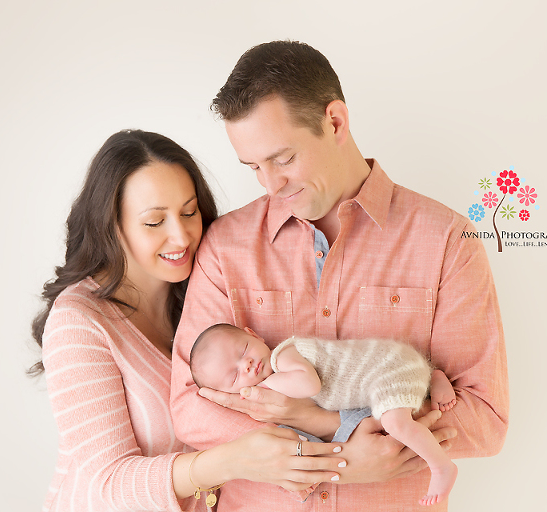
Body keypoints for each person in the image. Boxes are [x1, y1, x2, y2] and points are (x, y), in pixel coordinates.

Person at [170, 40, 508, 511]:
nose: (271, 185)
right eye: (253, 167)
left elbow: (484, 419)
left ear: (334, 122)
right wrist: (340, 454)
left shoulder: (447, 240)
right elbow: (190, 409)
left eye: (284, 158)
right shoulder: (224, 248)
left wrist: (324, 423)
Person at [29, 129, 346, 512]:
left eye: (188, 212)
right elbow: (108, 482)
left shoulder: (206, 298)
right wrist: (231, 461)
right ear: (111, 225)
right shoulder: (78, 322)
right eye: (153, 222)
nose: (180, 236)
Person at [190, 324, 459, 506]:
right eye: (235, 375)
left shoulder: (283, 356)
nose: (247, 364)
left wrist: (264, 384)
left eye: (244, 350)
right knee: (379, 416)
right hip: (384, 378)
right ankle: (431, 377)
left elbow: (310, 385)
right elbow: (325, 432)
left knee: (394, 422)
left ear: (254, 335)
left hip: (387, 366)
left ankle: (441, 466)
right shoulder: (276, 402)